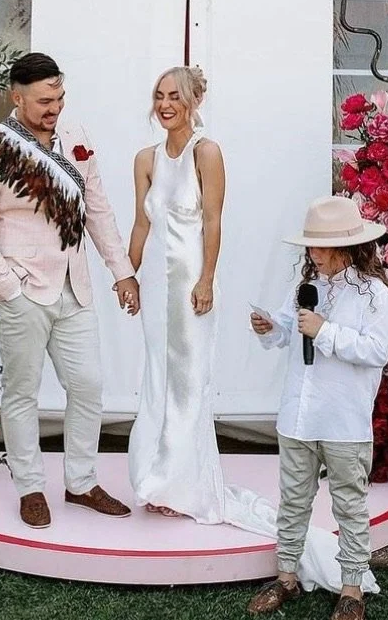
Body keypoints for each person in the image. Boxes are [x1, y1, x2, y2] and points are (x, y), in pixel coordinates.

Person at [0, 52, 140, 529]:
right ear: (16, 98)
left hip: (74, 288)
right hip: (20, 290)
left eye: (59, 97)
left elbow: (98, 210)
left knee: (88, 385)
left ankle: (80, 482)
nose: (53, 107)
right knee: (22, 392)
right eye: (43, 100)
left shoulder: (77, 139)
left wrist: (122, 271)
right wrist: (7, 286)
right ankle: (30, 486)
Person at [246, 196, 388, 620]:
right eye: (310, 244)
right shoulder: (305, 289)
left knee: (350, 504)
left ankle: (351, 591)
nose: (312, 253)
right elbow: (285, 332)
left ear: (347, 247)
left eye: (321, 245)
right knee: (293, 500)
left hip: (343, 420)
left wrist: (325, 331)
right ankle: (286, 577)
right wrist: (270, 327)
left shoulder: (375, 297)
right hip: (297, 415)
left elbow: (375, 351)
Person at [126, 66, 226, 520]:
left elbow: (211, 221)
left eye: (175, 97)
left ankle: (181, 485)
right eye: (159, 95)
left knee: (187, 381)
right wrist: (127, 275)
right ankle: (152, 477)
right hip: (154, 284)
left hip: (190, 284)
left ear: (194, 102)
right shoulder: (144, 159)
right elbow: (142, 224)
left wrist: (207, 279)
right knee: (156, 377)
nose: (165, 104)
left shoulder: (207, 152)